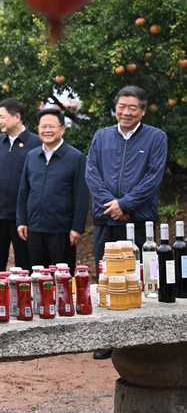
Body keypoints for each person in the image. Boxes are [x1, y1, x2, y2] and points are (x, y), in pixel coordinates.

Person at [85, 85, 167, 360]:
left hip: (139, 219)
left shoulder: (156, 138)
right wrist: (113, 205)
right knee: (106, 276)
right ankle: (106, 337)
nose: (126, 112)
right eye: (122, 106)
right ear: (116, 107)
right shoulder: (102, 136)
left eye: (133, 108)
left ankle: (139, 338)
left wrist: (126, 204)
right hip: (106, 218)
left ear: (142, 110)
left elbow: (153, 178)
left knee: (139, 276)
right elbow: (92, 173)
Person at [16, 107, 89, 270]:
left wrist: (77, 228)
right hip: (34, 228)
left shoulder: (75, 157)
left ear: (62, 129)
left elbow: (81, 196)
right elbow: (23, 191)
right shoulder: (32, 156)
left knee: (62, 279)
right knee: (37, 277)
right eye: (43, 126)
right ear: (38, 129)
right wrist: (21, 220)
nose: (47, 130)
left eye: (52, 126)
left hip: (62, 230)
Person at [0, 98, 42, 270]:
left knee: (26, 267)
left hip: (23, 218)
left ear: (17, 117)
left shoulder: (36, 143)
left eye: (2, 117)